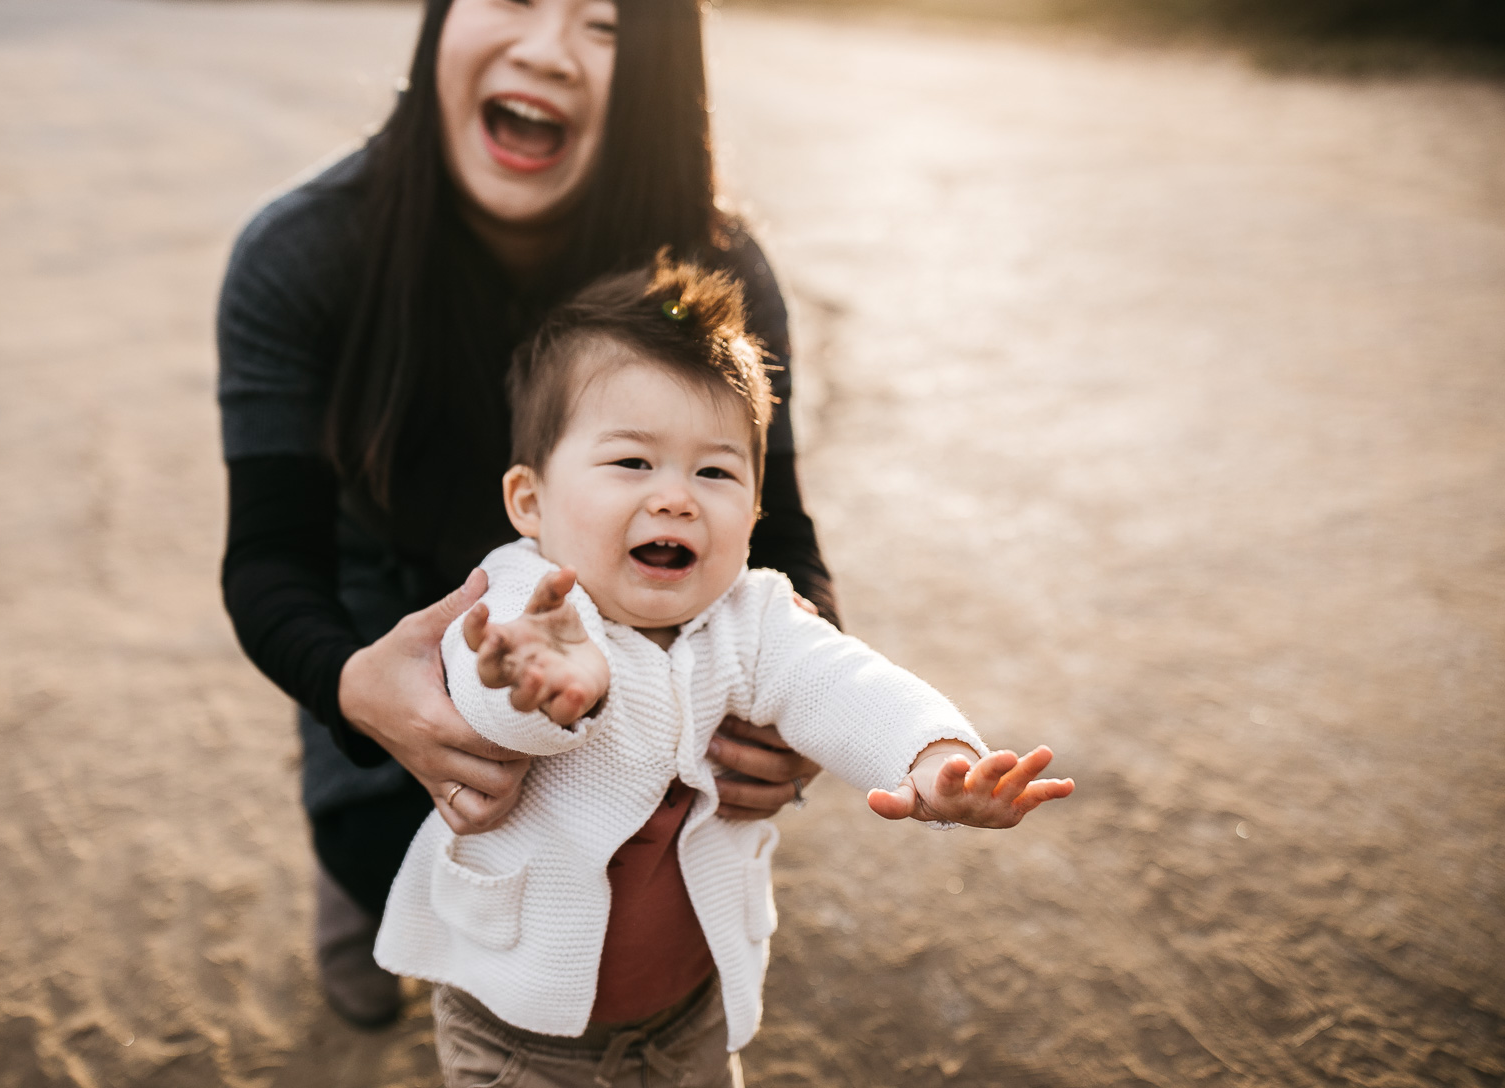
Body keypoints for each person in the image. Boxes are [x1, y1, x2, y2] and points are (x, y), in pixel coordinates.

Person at [216, 0, 836, 1026]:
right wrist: (354, 688)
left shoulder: (713, 276)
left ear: (653, 79)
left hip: (634, 648)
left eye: (606, 27)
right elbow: (270, 559)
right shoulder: (300, 256)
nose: (548, 50)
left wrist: (800, 701)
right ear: (442, 20)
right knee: (389, 866)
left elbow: (781, 531)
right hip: (393, 615)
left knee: (621, 915)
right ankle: (355, 895)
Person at [375, 258, 1074, 1087]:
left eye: (714, 472)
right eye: (632, 463)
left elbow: (841, 683)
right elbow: (481, 693)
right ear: (531, 500)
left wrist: (931, 758)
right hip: (517, 1031)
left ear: (753, 511)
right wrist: (553, 688)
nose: (677, 498)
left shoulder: (752, 615)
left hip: (690, 1017)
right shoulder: (527, 597)